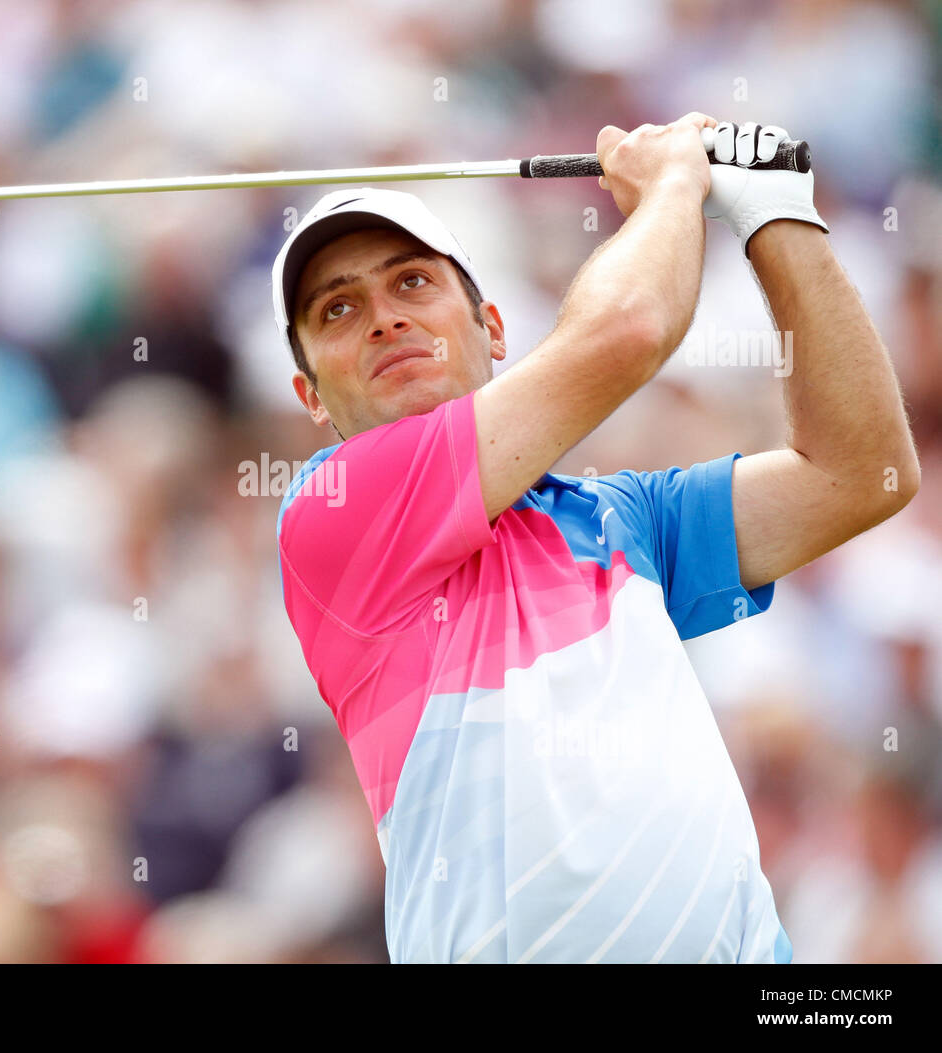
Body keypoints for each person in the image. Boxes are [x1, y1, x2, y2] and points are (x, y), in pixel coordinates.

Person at [270, 112, 921, 963]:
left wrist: (775, 218)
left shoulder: (626, 518)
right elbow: (629, 331)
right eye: (339, 309)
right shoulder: (334, 509)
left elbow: (864, 471)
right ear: (311, 395)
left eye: (413, 284)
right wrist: (676, 182)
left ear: (494, 329)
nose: (385, 319)